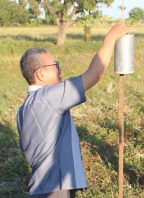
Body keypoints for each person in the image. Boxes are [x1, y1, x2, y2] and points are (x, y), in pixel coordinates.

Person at [17, 23, 129, 198]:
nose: (59, 69)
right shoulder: (48, 97)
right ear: (39, 74)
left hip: (43, 185)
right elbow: (94, 74)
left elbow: (25, 151)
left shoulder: (23, 108)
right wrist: (110, 39)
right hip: (55, 186)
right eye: (55, 65)